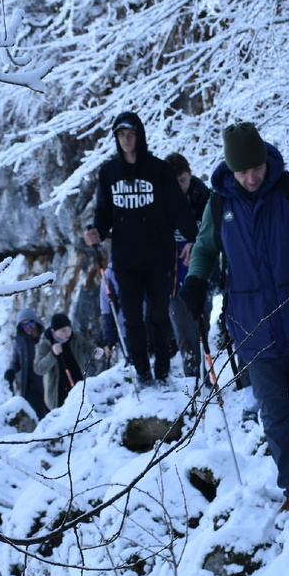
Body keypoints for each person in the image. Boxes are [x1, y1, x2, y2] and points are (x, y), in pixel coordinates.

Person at [180, 121, 289, 513]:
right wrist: (195, 279)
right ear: (231, 169)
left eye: (256, 168)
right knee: (274, 415)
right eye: (242, 171)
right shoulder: (220, 205)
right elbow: (206, 249)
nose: (251, 178)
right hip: (253, 330)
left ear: (266, 159)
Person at [83, 111, 200, 386]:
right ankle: (142, 372)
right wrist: (96, 231)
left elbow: (178, 209)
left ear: (139, 136)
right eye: (121, 134)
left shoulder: (159, 170)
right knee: (132, 318)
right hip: (125, 258)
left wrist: (194, 238)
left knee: (159, 315)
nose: (125, 139)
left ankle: (162, 370)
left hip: (159, 256)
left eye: (130, 133)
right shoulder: (109, 173)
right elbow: (104, 213)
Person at [164, 152, 211, 380]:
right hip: (174, 279)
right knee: (184, 333)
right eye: (174, 183)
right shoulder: (161, 203)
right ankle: (193, 379)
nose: (179, 187)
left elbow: (214, 231)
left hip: (202, 275)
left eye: (182, 180)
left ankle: (205, 373)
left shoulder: (204, 198)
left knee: (203, 327)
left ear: (190, 175)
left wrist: (196, 242)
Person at [33, 313, 100, 412]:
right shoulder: (45, 344)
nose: (68, 333)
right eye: (63, 330)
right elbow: (38, 369)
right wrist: (53, 354)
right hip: (58, 395)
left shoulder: (75, 337)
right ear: (54, 331)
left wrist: (95, 351)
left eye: (69, 329)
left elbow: (87, 346)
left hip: (79, 387)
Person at [6, 307, 49, 418]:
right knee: (39, 417)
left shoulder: (46, 336)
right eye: (24, 326)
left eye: (29, 323)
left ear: (35, 321)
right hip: (31, 388)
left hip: (49, 384)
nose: (28, 328)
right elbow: (15, 361)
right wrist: (11, 371)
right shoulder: (19, 341)